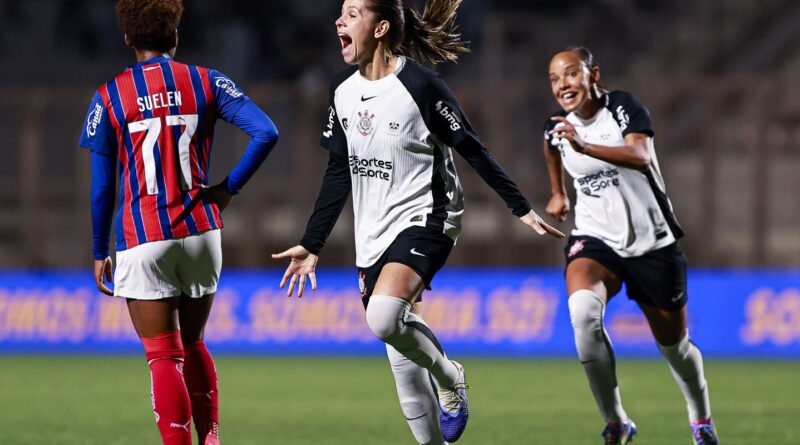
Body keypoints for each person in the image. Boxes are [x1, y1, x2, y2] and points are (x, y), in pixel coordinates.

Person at [272, 1, 563, 444]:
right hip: (372, 233)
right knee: (399, 356)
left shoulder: (421, 86)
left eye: (352, 13)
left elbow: (472, 148)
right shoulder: (342, 91)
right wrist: (312, 243)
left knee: (385, 317)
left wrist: (519, 206)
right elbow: (338, 171)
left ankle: (451, 377)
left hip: (428, 216)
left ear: (381, 26)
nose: (339, 20)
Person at [78, 1, 279, 444]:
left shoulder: (109, 96)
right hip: (203, 232)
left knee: (163, 356)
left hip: (144, 235)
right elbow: (266, 131)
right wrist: (227, 189)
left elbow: (101, 190)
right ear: (174, 36)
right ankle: (211, 436)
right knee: (194, 342)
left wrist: (98, 249)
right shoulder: (206, 80)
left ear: (128, 38)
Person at [542, 46, 720, 445]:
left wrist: (585, 147)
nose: (562, 85)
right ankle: (616, 420)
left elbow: (640, 154)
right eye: (554, 79)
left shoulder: (623, 107)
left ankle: (700, 418)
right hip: (595, 239)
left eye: (571, 74)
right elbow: (551, 146)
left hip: (653, 243)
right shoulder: (557, 127)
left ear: (593, 75)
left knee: (675, 348)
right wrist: (558, 192)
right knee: (583, 317)